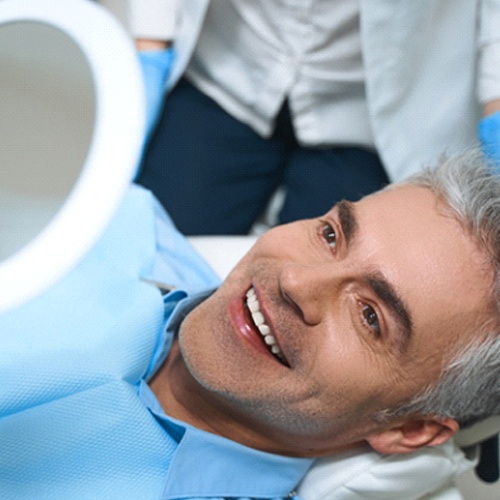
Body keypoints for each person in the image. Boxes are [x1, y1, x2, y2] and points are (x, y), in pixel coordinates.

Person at [1, 150, 499, 498]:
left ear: (409, 428)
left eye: (370, 316)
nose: (296, 281)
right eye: (331, 235)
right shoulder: (119, 221)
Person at [132, 0, 500, 235]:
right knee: (153, 254)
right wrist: (147, 42)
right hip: (228, 70)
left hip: (368, 115)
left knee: (323, 303)